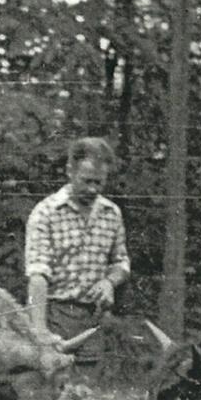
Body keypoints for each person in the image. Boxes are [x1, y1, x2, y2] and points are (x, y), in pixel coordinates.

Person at [24, 137, 131, 370]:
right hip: (55, 315)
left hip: (93, 320)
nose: (93, 189)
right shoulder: (46, 213)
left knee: (86, 395)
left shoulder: (111, 213)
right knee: (53, 393)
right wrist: (40, 332)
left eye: (99, 182)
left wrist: (109, 282)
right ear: (69, 172)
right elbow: (37, 276)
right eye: (86, 181)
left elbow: (121, 262)